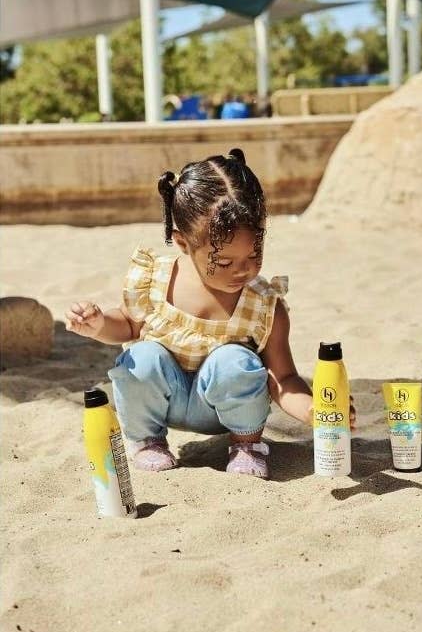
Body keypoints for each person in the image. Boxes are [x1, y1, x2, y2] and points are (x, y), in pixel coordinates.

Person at [65, 149, 355, 479]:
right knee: (141, 357)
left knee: (235, 360)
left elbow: (283, 378)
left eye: (254, 254)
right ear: (183, 243)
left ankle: (246, 446)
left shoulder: (263, 304)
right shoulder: (154, 280)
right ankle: (148, 441)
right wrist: (99, 324)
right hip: (165, 401)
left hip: (226, 411)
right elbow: (128, 326)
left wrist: (313, 409)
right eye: (226, 262)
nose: (243, 270)